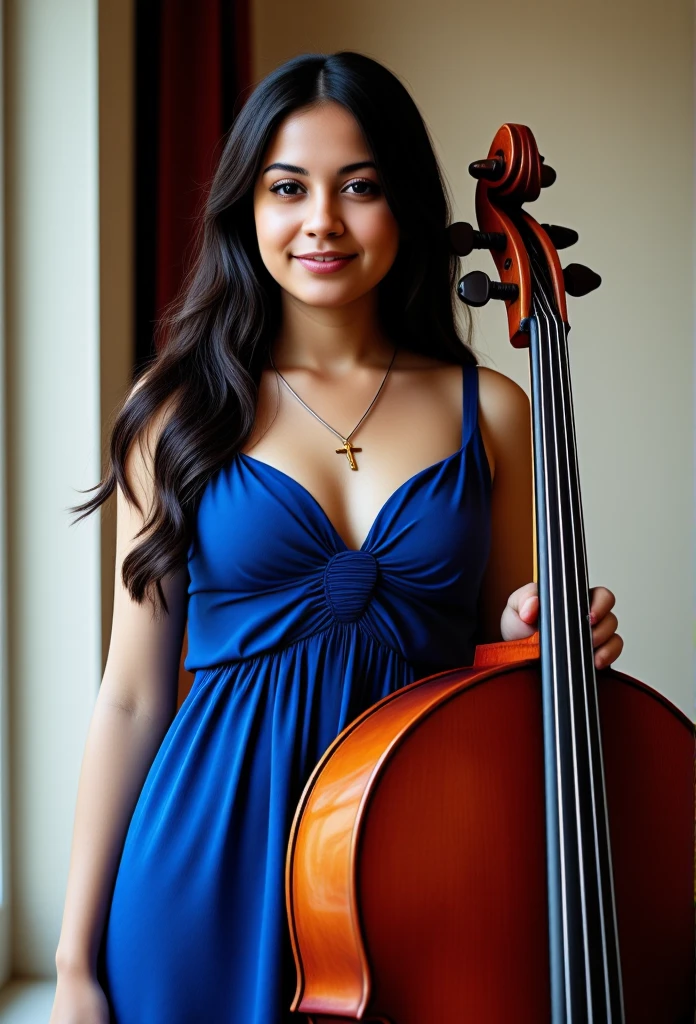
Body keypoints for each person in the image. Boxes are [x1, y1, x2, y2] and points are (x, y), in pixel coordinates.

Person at [49, 51, 622, 1024]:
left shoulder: (492, 413)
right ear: (247, 209)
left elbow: (511, 667)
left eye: (359, 186)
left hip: (417, 871)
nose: (322, 220)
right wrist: (74, 966)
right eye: (287, 188)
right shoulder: (174, 416)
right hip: (201, 866)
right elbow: (133, 696)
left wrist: (554, 631)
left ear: (402, 203)